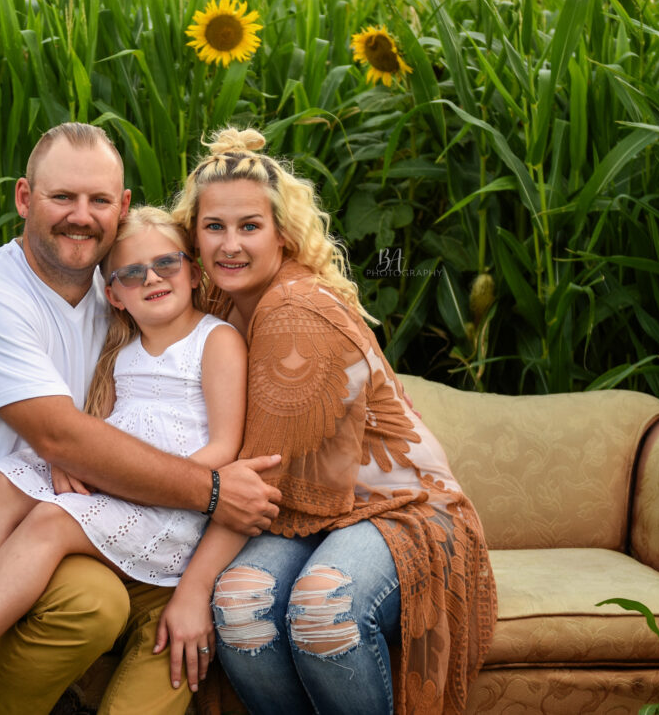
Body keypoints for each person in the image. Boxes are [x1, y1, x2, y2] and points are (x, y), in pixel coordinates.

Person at [0, 123, 281, 715]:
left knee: (133, 602)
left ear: (121, 206)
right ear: (25, 198)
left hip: (90, 510)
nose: (82, 215)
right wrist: (211, 490)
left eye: (100, 200)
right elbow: (60, 437)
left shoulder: (128, 320)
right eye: (63, 197)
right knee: (90, 598)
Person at [172, 128, 497, 715]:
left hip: (403, 509)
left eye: (250, 226)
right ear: (193, 234)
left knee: (324, 606)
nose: (230, 245)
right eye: (214, 226)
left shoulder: (294, 310)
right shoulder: (223, 302)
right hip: (311, 513)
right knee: (243, 604)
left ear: (283, 234)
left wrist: (191, 591)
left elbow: (260, 481)